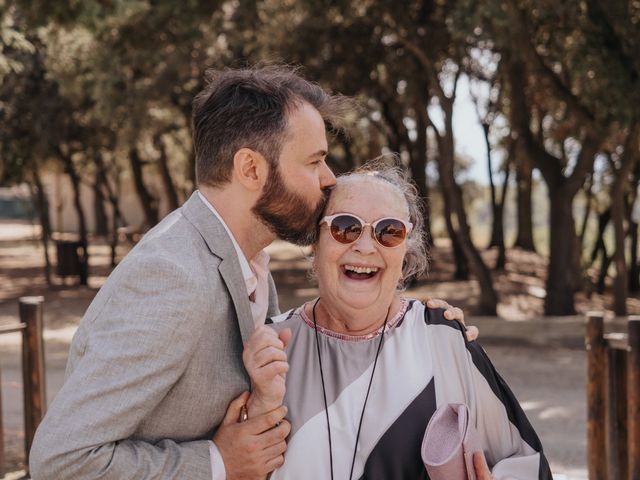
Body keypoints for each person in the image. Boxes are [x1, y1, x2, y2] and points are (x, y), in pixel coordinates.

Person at [29, 66, 469, 480]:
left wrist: (410, 322)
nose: (329, 179)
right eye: (313, 161)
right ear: (251, 168)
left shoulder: (249, 265)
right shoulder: (172, 276)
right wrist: (217, 462)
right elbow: (62, 459)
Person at [243, 163, 552, 480]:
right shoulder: (270, 347)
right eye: (345, 227)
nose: (364, 246)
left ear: (405, 254)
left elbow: (527, 463)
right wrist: (258, 405)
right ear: (314, 242)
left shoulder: (441, 339)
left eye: (389, 231)